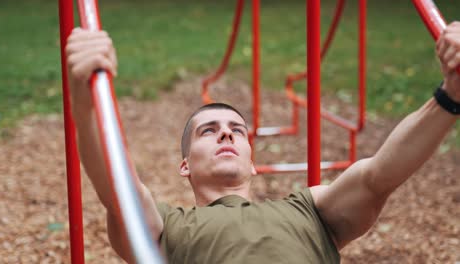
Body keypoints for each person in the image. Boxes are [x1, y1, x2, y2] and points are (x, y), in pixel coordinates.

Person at [65, 21, 460, 263]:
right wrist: (84, 105)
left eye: (237, 130)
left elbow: (380, 175)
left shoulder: (309, 211)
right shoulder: (168, 228)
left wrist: (451, 94)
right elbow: (119, 193)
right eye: (209, 130)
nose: (226, 133)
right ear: (185, 165)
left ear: (252, 163)